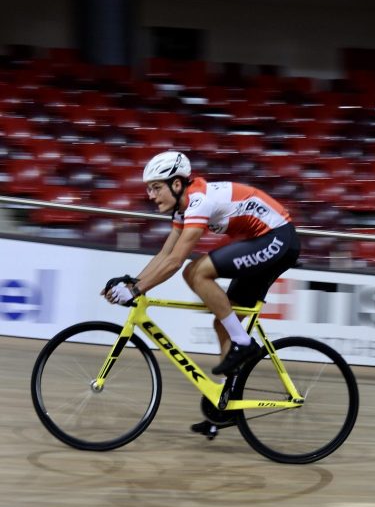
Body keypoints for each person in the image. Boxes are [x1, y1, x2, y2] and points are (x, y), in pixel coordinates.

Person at [102, 150, 300, 434]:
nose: (151, 195)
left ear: (177, 184)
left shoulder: (198, 201)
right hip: (262, 240)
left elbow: (175, 261)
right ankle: (227, 402)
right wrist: (133, 283)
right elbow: (165, 252)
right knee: (223, 322)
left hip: (277, 238)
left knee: (196, 271)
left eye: (156, 187)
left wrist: (137, 290)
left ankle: (243, 343)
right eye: (149, 189)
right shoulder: (183, 208)